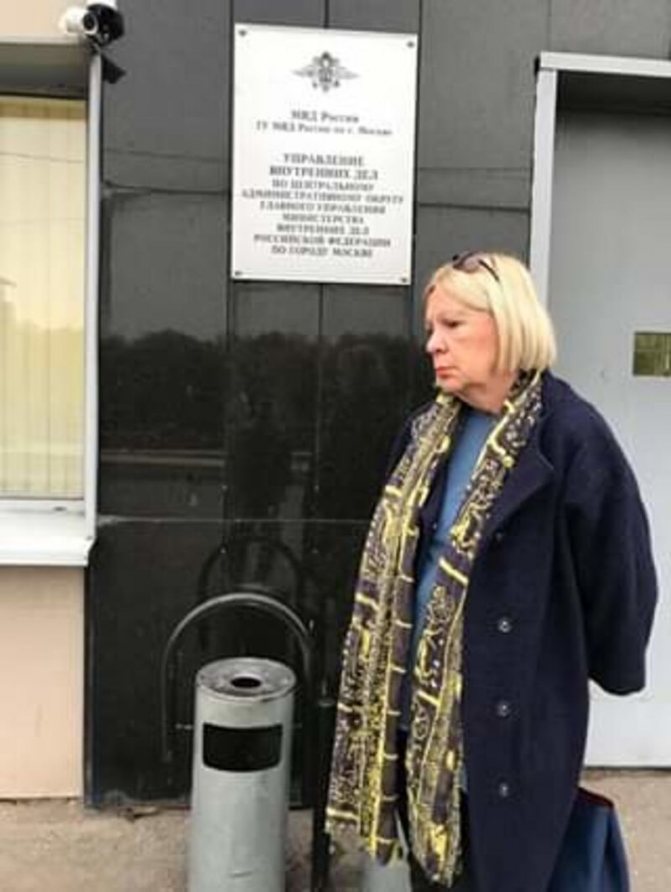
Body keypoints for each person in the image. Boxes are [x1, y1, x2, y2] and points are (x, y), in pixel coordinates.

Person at [325, 251, 657, 891]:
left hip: (507, 730)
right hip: (416, 730)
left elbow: (622, 580)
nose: (433, 344)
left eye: (453, 325)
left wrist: (582, 676)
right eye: (431, 328)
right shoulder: (425, 432)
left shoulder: (571, 437)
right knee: (433, 874)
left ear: (508, 325)